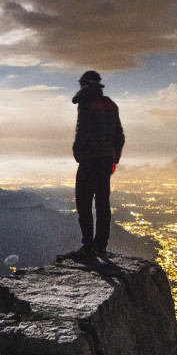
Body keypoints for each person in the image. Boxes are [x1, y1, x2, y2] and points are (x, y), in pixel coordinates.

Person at [59, 70, 124, 262]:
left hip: (89, 161)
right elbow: (119, 136)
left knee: (84, 203)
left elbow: (83, 130)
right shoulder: (111, 105)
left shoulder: (86, 102)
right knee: (103, 204)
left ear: (84, 85)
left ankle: (88, 246)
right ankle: (101, 246)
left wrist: (78, 153)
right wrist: (114, 158)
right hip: (105, 162)